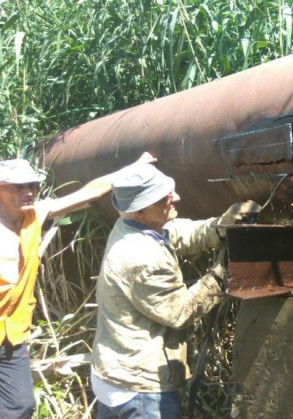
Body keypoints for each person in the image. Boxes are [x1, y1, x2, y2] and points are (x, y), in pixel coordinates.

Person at [91, 163, 255, 418]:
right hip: (140, 389)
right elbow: (181, 312)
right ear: (141, 210)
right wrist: (225, 270)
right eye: (166, 196)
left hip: (117, 373)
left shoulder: (131, 226)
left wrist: (221, 226)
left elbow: (178, 232)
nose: (176, 197)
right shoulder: (142, 257)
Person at [0, 152, 154, 418]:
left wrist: (133, 168)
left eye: (32, 185)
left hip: (11, 336)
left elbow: (89, 192)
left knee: (20, 406)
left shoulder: (35, 215)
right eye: (18, 186)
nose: (28, 192)